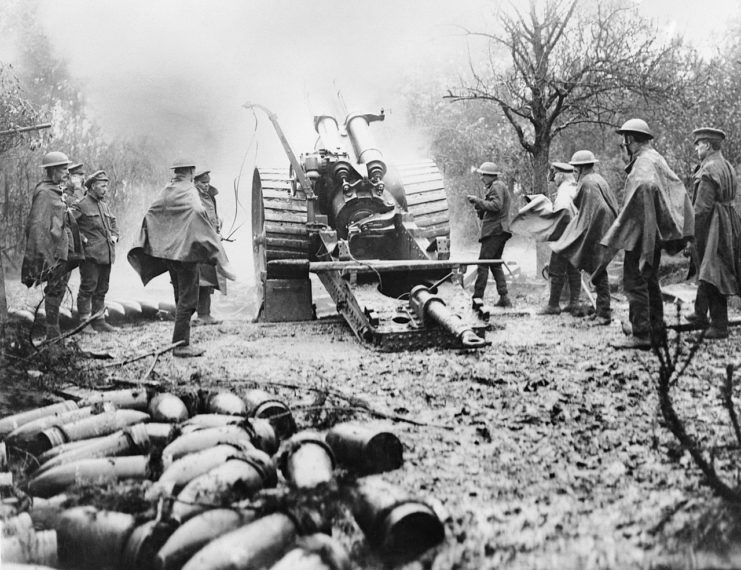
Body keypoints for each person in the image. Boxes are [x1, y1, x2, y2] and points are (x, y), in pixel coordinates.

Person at [128, 158, 235, 358]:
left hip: (170, 255)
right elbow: (197, 211)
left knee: (180, 298)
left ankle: (179, 342)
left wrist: (165, 238)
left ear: (176, 171)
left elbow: (151, 213)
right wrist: (204, 233)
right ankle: (181, 345)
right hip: (185, 255)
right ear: (191, 171)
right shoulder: (188, 190)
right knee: (188, 300)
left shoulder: (167, 189)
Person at [601, 119, 694, 349]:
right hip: (653, 232)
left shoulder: (642, 165)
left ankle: (642, 333)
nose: (624, 145)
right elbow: (677, 189)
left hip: (642, 234)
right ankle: (656, 329)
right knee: (650, 281)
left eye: (624, 141)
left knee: (635, 281)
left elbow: (642, 191)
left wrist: (627, 229)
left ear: (630, 140)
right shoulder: (656, 158)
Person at [21, 151, 84, 341]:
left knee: (60, 288)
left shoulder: (56, 191)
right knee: (55, 290)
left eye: (67, 168)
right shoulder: (45, 192)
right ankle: (52, 335)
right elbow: (37, 225)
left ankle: (54, 334)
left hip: (62, 251)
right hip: (52, 252)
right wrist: (43, 256)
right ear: (52, 170)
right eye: (63, 169)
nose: (67, 172)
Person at [551, 151, 619, 325]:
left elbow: (591, 209)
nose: (574, 172)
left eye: (575, 168)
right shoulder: (598, 179)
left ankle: (604, 314)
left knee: (598, 271)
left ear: (580, 168)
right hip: (606, 228)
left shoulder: (587, 183)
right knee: (598, 269)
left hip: (599, 229)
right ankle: (601, 311)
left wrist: (588, 231)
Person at [685, 127, 741, 339]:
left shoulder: (708, 170)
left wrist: (690, 236)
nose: (697, 148)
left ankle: (719, 326)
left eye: (698, 144)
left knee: (713, 271)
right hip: (729, 220)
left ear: (707, 146)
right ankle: (700, 314)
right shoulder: (726, 166)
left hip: (714, 225)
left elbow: (701, 210)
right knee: (708, 267)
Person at [71, 170, 119, 334]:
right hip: (90, 256)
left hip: (106, 255)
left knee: (102, 289)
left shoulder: (104, 205)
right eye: (102, 186)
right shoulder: (81, 205)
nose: (105, 189)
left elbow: (113, 222)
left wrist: (115, 235)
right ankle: (84, 323)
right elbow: (69, 225)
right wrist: (82, 239)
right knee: (87, 288)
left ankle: (99, 320)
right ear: (92, 186)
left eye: (106, 186)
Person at [538, 162, 583, 316]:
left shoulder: (563, 191)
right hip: (576, 233)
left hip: (565, 234)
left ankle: (553, 305)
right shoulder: (575, 188)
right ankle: (574, 303)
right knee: (573, 268)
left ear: (562, 175)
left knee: (556, 269)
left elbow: (563, 213)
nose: (554, 178)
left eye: (555, 174)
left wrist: (555, 232)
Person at [468, 161, 512, 307]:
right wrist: (480, 207)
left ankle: (477, 299)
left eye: (483, 175)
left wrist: (478, 201)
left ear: (490, 176)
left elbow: (497, 206)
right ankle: (504, 298)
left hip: (494, 231)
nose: (481, 178)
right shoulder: (496, 187)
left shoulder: (497, 186)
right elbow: (491, 208)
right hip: (499, 230)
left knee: (483, 264)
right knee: (495, 264)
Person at [193, 169, 227, 325]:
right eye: (203, 183)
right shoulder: (193, 197)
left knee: (209, 279)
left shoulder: (211, 197)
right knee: (199, 280)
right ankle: (198, 314)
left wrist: (218, 227)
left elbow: (212, 217)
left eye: (208, 183)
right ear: (196, 182)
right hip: (199, 244)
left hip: (211, 244)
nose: (206, 186)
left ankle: (206, 313)